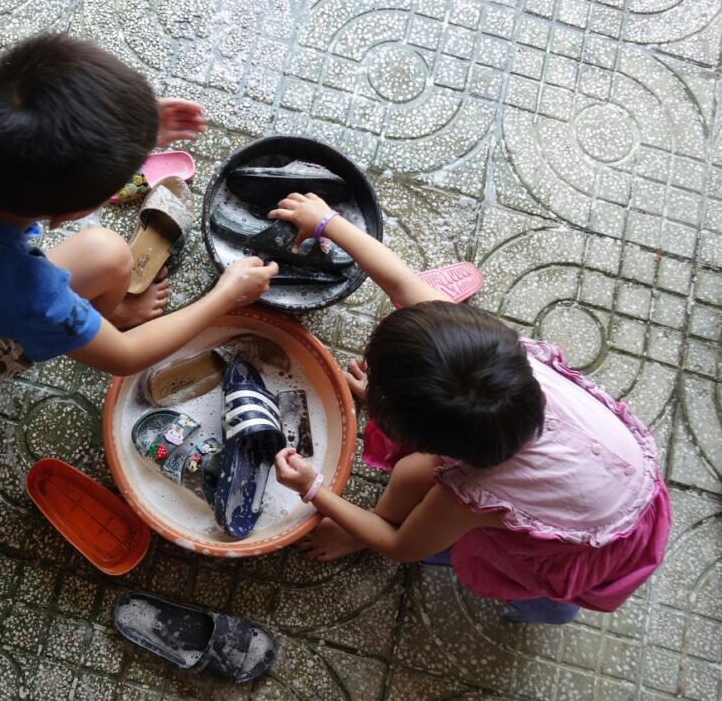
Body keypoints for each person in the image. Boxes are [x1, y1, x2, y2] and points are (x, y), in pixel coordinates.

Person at [0, 34, 277, 429]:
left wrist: (131, 130)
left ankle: (94, 316)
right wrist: (224, 295)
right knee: (109, 255)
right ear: (70, 215)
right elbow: (125, 357)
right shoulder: (24, 291)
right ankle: (106, 315)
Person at [269, 192, 671, 624]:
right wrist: (327, 222)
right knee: (408, 475)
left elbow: (402, 546)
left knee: (525, 586)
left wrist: (315, 491)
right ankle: (371, 512)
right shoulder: (493, 361)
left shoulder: (470, 497)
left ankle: (541, 610)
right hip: (611, 474)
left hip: (587, 550)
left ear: (422, 440)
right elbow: (402, 282)